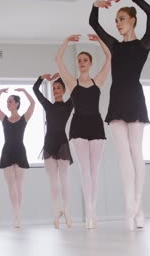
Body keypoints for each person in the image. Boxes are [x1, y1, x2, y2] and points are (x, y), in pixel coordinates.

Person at [89, 0, 150, 230]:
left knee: (136, 151)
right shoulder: (114, 46)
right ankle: (131, 204)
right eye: (116, 20)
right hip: (116, 101)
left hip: (135, 100)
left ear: (132, 20)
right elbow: (93, 23)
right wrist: (95, 5)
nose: (118, 24)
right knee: (122, 155)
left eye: (122, 19)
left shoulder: (144, 44)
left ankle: (138, 206)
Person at [55, 34, 111, 229]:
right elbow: (58, 60)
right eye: (79, 61)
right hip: (78, 126)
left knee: (94, 171)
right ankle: (89, 211)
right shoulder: (72, 82)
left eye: (85, 60)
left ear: (91, 63)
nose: (82, 63)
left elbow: (110, 57)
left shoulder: (99, 81)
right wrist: (66, 41)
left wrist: (100, 40)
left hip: (96, 125)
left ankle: (92, 212)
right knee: (84, 170)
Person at [33, 73, 74, 228]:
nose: (55, 90)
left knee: (64, 179)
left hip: (62, 144)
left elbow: (76, 89)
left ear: (63, 90)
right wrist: (42, 77)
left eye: (58, 88)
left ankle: (67, 211)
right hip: (49, 144)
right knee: (53, 182)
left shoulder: (69, 104)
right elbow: (35, 89)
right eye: (54, 88)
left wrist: (64, 75)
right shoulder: (48, 105)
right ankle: (56, 211)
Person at [0, 88, 35, 228]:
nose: (8, 103)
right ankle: (15, 214)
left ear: (17, 103)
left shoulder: (23, 119)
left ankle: (18, 214)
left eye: (10, 101)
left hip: (20, 151)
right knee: (11, 185)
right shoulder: (4, 119)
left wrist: (23, 91)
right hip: (7, 152)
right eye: (7, 101)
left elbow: (33, 103)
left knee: (18, 185)